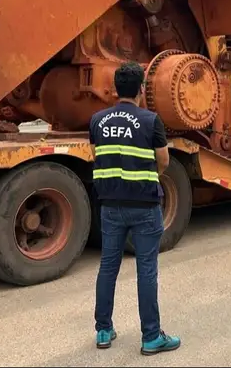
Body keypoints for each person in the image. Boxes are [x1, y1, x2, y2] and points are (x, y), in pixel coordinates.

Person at [89, 61, 181, 356]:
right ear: (141, 89)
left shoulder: (97, 120)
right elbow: (163, 161)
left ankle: (103, 329)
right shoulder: (151, 120)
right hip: (144, 206)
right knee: (147, 270)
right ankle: (151, 337)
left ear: (116, 89)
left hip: (111, 205)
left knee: (108, 267)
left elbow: (96, 154)